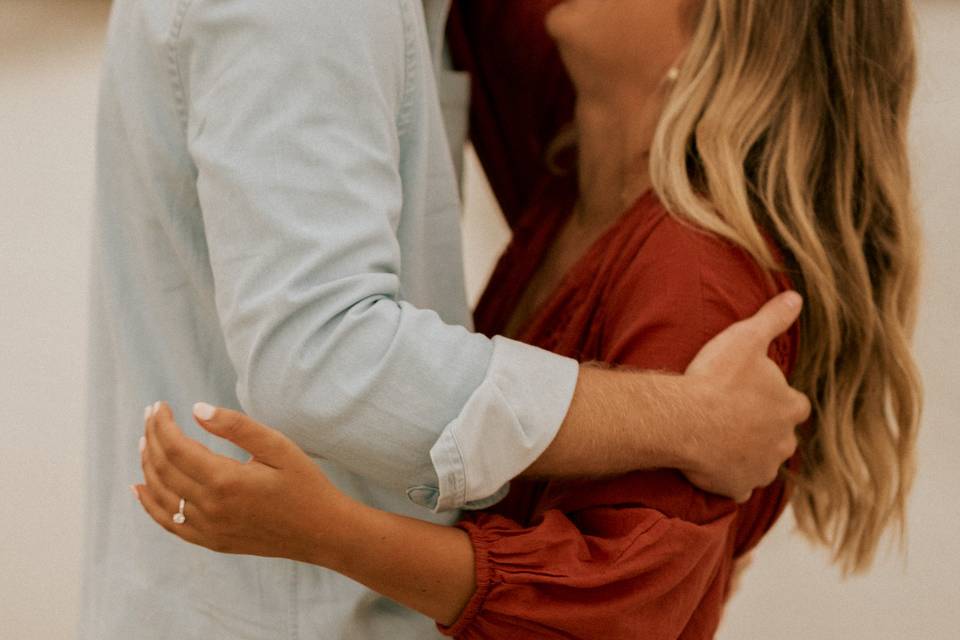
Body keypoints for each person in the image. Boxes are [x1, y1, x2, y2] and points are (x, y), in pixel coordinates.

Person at [134, 0, 923, 638]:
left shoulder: (697, 280)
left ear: (724, 26)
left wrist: (330, 533)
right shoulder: (580, 155)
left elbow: (621, 612)